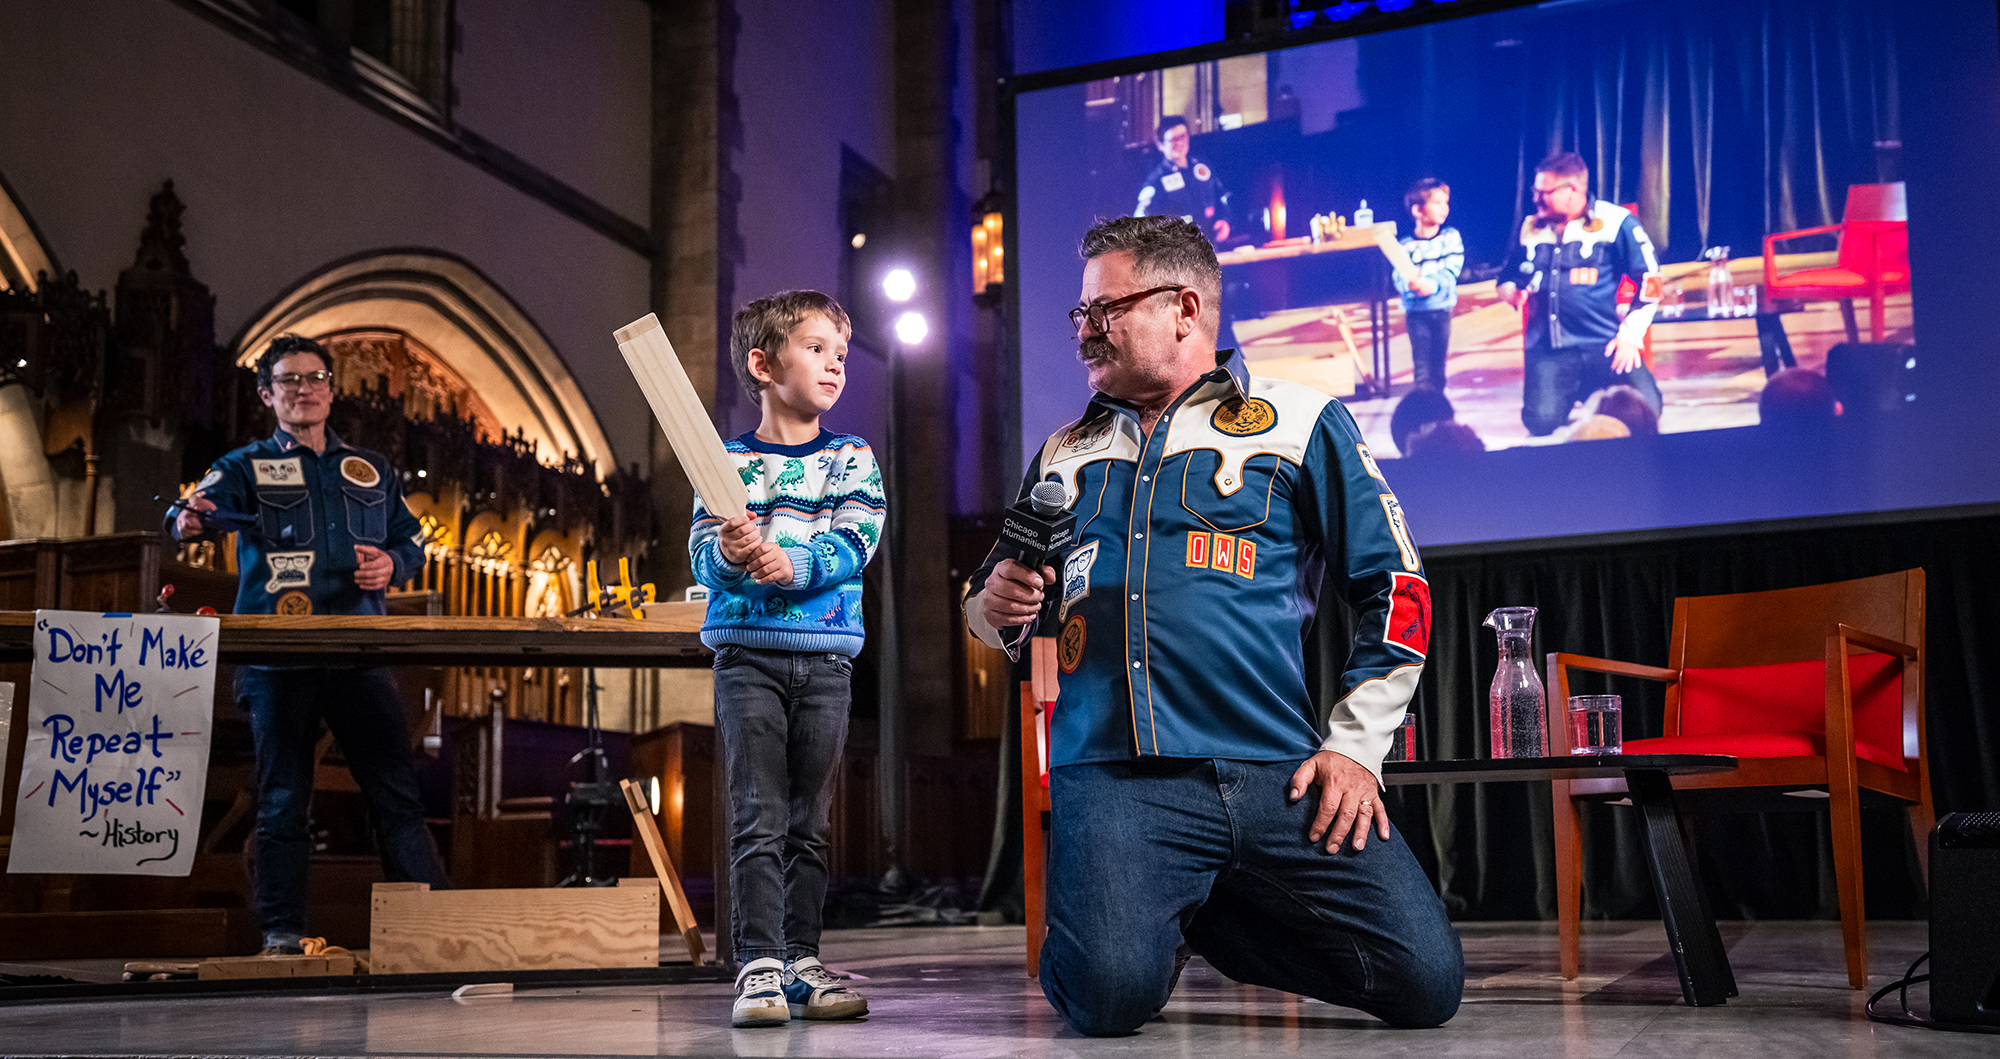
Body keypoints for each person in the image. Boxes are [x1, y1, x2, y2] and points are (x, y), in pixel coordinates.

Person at [964, 215, 1463, 1036]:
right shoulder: (1064, 449)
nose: (1085, 331)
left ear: (1185, 308)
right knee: (1109, 998)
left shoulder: (1301, 419)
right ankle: (1131, 920)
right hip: (1117, 776)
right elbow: (989, 606)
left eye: (1106, 309)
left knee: (1424, 983)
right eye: (1080, 314)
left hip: (1276, 771)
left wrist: (1353, 747)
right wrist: (997, 607)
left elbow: (1398, 587)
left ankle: (1188, 912)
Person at [168, 334, 447, 956]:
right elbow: (194, 512)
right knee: (284, 797)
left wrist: (393, 567)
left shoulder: (372, 468)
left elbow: (411, 542)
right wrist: (187, 519)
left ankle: (434, 931)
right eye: (288, 380)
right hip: (277, 656)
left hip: (358, 652)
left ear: (330, 388)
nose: (304, 388)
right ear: (268, 394)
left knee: (396, 794)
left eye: (314, 377)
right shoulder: (244, 465)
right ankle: (282, 935)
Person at [689, 290, 883, 1028]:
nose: (835, 363)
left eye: (840, 352)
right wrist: (734, 556)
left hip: (826, 661)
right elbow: (703, 550)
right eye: (815, 348)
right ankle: (758, 966)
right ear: (763, 364)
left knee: (810, 820)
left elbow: (858, 537)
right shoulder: (727, 460)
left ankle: (802, 959)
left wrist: (791, 561)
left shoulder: (850, 456)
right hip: (748, 659)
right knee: (757, 814)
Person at [1499, 152, 1666, 436]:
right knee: (1541, 423)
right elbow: (1507, 275)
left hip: (1604, 343)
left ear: (1572, 191)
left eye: (1545, 193)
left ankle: (1600, 392)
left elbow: (1651, 282)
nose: (1537, 199)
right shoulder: (1531, 227)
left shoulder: (1615, 221)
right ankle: (1566, 398)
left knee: (1647, 412)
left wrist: (1629, 335)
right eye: (1535, 191)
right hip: (1550, 349)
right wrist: (1509, 291)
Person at [1393, 178, 1465, 392]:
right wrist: (1410, 284)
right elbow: (1399, 276)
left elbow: (1452, 269)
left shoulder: (1450, 238)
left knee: (1438, 370)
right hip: (1417, 314)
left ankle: (1438, 416)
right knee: (1422, 370)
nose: (1444, 208)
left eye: (1446, 202)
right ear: (1418, 210)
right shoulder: (1406, 246)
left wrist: (1432, 285)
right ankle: (1423, 417)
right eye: (1437, 203)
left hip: (1441, 310)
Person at [1135, 116, 1233, 246]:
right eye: (1174, 139)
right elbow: (1141, 217)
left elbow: (1222, 196)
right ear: (1161, 145)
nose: (1180, 143)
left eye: (1183, 136)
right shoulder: (1156, 180)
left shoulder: (1201, 168)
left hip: (1209, 249)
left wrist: (1224, 220)